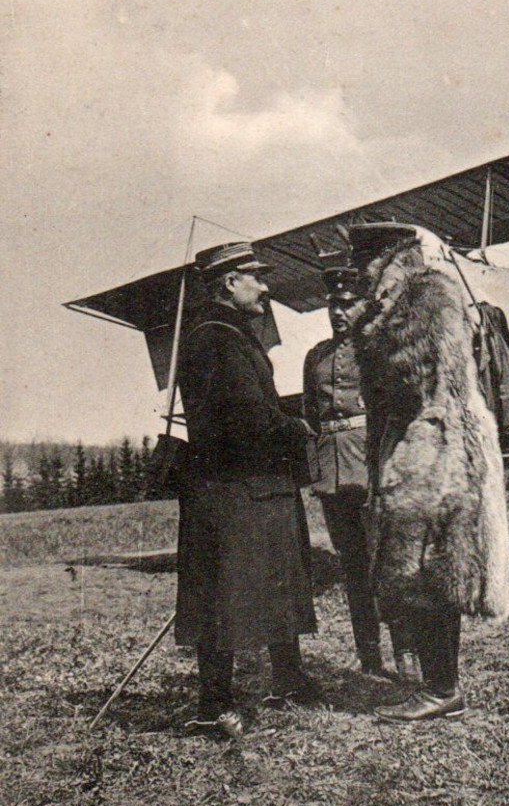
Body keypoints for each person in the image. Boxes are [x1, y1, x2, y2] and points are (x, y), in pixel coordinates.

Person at [176, 241, 321, 740]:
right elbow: (246, 416)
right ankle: (213, 705)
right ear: (229, 283)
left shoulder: (229, 332)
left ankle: (290, 679)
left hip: (253, 485)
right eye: (254, 277)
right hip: (233, 489)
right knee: (224, 595)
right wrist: (296, 426)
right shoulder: (215, 337)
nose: (263, 286)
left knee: (274, 578)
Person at [303, 266, 420, 683]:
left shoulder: (379, 350)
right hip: (333, 476)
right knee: (352, 567)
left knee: (384, 565)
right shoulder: (316, 356)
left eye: (348, 302)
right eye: (333, 303)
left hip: (370, 468)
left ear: (364, 305)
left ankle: (406, 651)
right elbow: (311, 417)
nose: (338, 311)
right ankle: (369, 656)